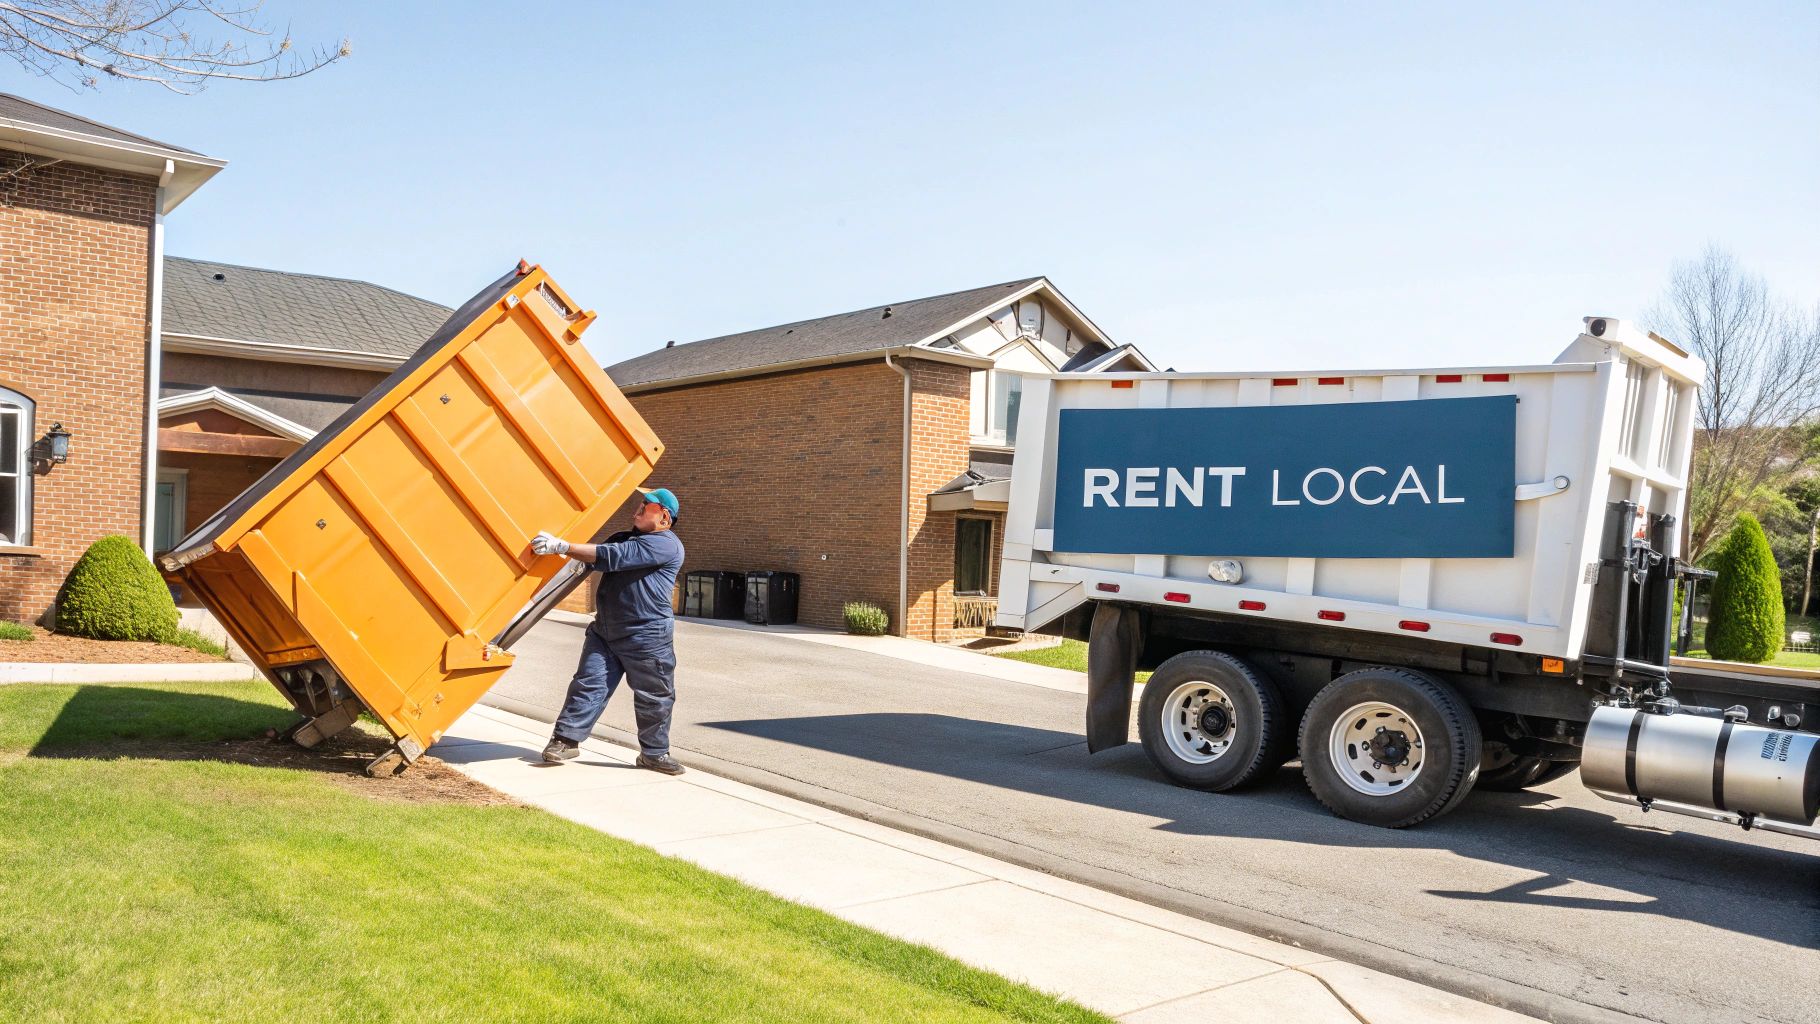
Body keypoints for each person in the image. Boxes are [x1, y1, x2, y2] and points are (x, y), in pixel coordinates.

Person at [530, 488, 686, 774]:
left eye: (646, 504)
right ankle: (565, 741)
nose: (638, 507)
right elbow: (588, 562)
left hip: (647, 636)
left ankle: (654, 753)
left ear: (664, 516)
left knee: (655, 695)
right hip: (605, 632)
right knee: (588, 684)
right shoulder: (622, 538)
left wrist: (562, 546)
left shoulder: (666, 545)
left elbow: (612, 556)